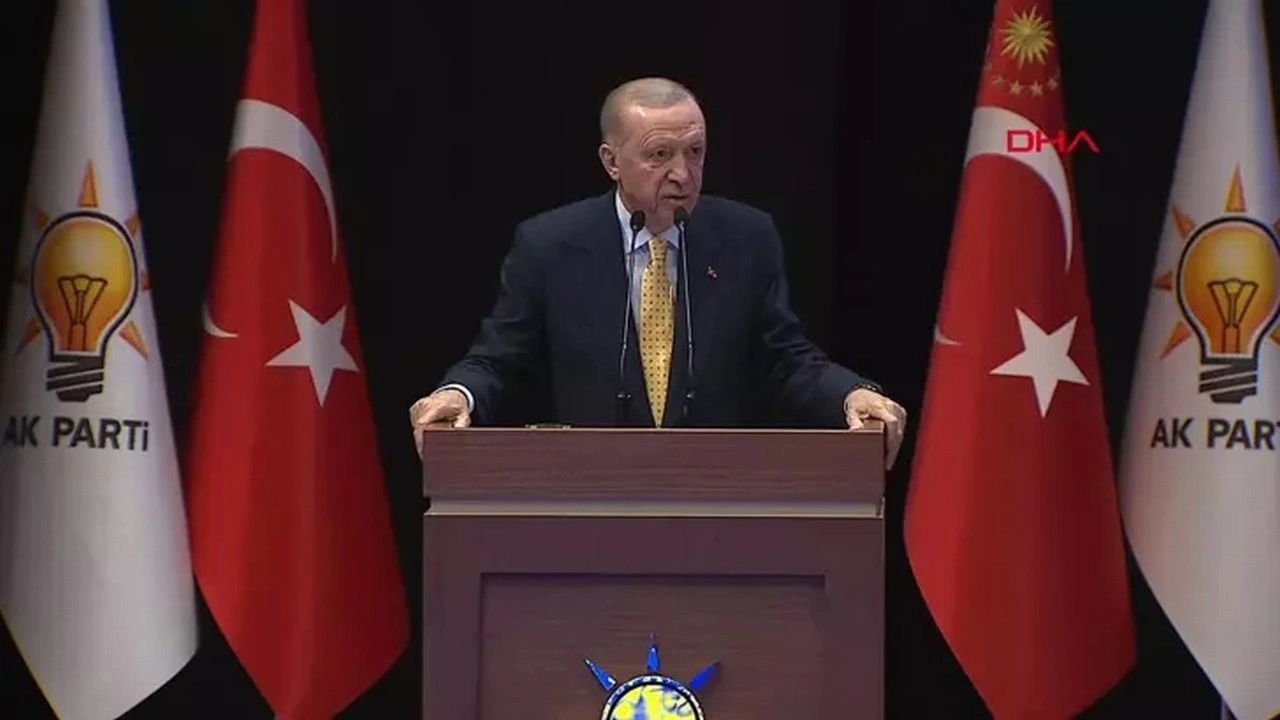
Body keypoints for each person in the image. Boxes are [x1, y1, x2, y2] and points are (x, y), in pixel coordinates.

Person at [409, 77, 907, 467]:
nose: (682, 174)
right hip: (589, 494)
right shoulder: (550, 245)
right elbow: (500, 357)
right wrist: (458, 394)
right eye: (659, 155)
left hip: (714, 494)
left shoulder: (746, 238)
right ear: (612, 162)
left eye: (695, 152)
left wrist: (849, 394)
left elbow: (787, 359)